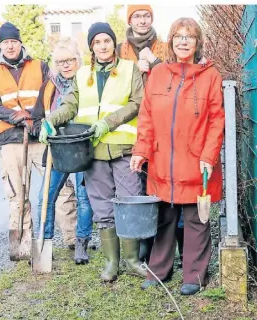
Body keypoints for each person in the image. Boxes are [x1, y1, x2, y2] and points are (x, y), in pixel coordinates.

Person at [130, 18, 225, 296]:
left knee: (196, 220)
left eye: (189, 37)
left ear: (198, 43)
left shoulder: (210, 76)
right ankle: (159, 270)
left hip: (197, 163)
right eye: (178, 36)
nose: (184, 41)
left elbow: (216, 120)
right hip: (162, 162)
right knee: (163, 218)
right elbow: (146, 117)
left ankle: (194, 275)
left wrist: (209, 155)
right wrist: (140, 151)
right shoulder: (158, 75)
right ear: (170, 41)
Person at [46, 22, 146, 282]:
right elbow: (70, 105)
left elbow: (138, 102)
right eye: (97, 42)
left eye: (107, 41)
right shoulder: (82, 75)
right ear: (91, 46)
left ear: (115, 44)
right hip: (94, 152)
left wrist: (109, 122)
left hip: (124, 149)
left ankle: (133, 259)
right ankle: (112, 262)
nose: (102, 46)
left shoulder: (129, 69)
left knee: (129, 202)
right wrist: (51, 120)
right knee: (102, 207)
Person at [117, 5, 185, 264]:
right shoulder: (120, 49)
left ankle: (179, 247)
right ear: (130, 20)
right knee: (142, 185)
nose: (142, 21)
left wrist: (154, 63)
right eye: (137, 16)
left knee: (170, 182)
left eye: (146, 16)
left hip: (165, 121)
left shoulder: (167, 45)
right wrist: (136, 67)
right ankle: (147, 244)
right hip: (133, 124)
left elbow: (178, 77)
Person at [0, 22, 50, 261]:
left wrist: (34, 119)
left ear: (20, 43)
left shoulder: (40, 66)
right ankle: (22, 246)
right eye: (5, 42)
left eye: (13, 41)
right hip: (11, 140)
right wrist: (17, 117)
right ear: (0, 45)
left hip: (39, 137)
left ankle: (74, 241)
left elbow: (48, 95)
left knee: (61, 188)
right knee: (17, 195)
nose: (10, 46)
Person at [33, 37, 94, 264]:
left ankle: (81, 243)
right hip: (56, 150)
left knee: (83, 197)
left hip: (81, 148)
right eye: (60, 61)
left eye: (70, 60)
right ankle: (44, 244)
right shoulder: (49, 87)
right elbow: (38, 116)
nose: (65, 65)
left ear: (78, 60)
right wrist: (43, 127)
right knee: (45, 197)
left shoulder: (88, 82)